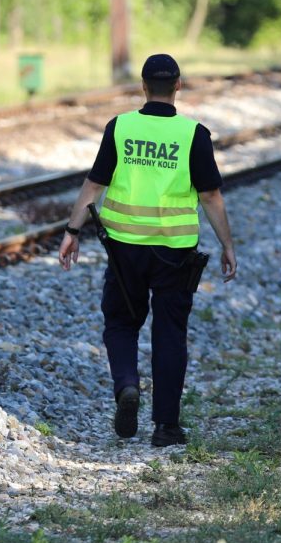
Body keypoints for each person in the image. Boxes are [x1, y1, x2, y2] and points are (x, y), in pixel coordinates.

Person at [58, 54, 238, 446]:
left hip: (124, 248)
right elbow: (210, 195)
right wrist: (227, 244)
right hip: (174, 251)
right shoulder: (194, 134)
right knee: (170, 332)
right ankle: (166, 426)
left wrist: (73, 230)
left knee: (121, 323)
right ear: (178, 86)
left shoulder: (120, 127)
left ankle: (127, 385)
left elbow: (94, 185)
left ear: (143, 87)